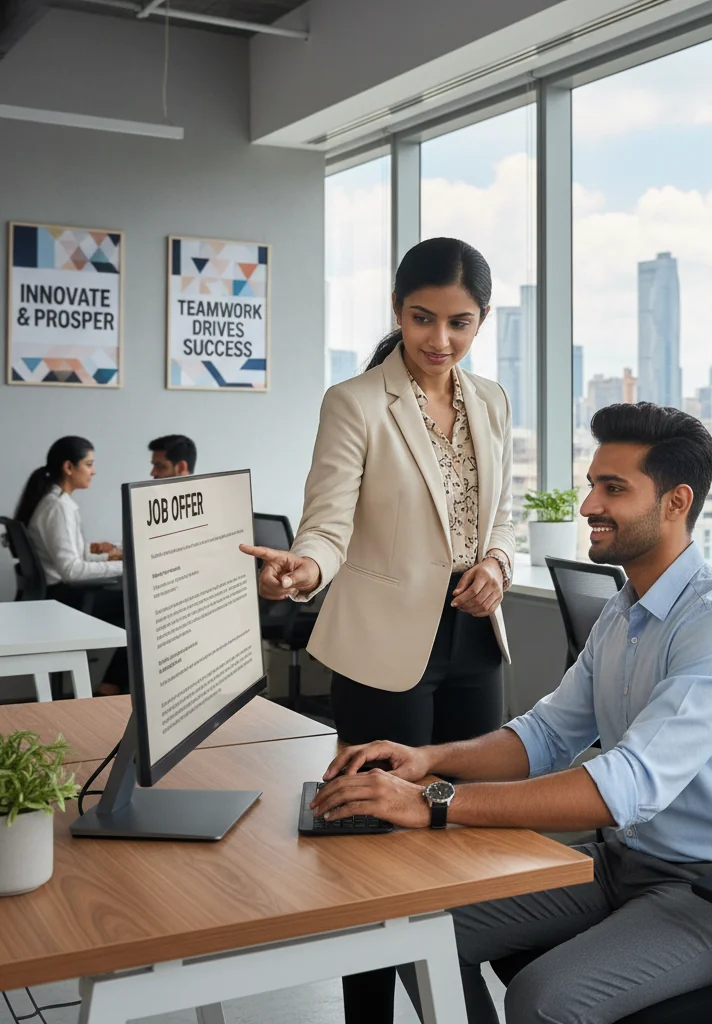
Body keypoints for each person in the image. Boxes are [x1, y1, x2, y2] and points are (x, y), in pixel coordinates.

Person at [311, 403, 712, 1024]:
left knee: (546, 998)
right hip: (626, 865)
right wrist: (426, 760)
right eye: (593, 483)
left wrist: (437, 801)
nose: (589, 505)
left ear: (676, 503)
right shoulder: (625, 611)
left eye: (613, 488)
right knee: (410, 926)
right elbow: (545, 735)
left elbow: (627, 785)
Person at [240, 237, 515, 1020]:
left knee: (458, 830)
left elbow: (500, 516)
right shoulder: (355, 401)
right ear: (398, 312)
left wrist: (496, 562)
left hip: (472, 643)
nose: (440, 340)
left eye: (459, 323)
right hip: (381, 649)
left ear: (482, 320)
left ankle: (456, 995)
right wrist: (304, 569)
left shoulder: (491, 400)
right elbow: (327, 525)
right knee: (375, 845)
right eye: (423, 318)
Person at [14, 436, 128, 695]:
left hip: (58, 594)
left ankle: (111, 684)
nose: (94, 471)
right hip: (64, 598)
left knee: (131, 607)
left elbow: (70, 556)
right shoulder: (57, 507)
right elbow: (72, 570)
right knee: (140, 605)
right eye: (89, 464)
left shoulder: (53, 502)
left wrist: (109, 556)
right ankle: (111, 686)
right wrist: (126, 566)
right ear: (69, 467)